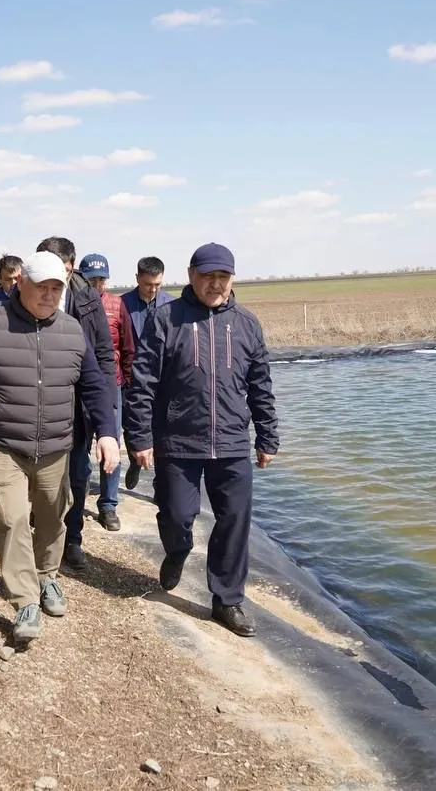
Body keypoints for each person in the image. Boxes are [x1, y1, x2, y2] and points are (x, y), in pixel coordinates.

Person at [0, 251, 120, 647]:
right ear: (21, 284)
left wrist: (107, 432)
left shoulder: (72, 331)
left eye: (57, 288)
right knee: (10, 516)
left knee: (54, 517)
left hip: (55, 445)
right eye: (42, 287)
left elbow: (93, 386)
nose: (50, 295)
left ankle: (47, 575)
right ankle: (24, 601)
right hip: (2, 442)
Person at [123, 243, 278, 638]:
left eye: (222, 277)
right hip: (178, 440)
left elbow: (260, 385)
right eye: (207, 276)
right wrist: (139, 436)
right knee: (175, 515)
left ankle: (227, 599)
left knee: (235, 520)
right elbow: (142, 383)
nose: (215, 284)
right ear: (191, 275)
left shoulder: (246, 324)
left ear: (231, 280)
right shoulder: (166, 319)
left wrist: (267, 436)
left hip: (230, 442)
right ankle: (178, 550)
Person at [34, 237, 115, 570]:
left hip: (78, 408)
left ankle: (73, 539)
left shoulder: (86, 299)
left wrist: (104, 412)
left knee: (78, 475)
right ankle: (41, 535)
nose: (56, 279)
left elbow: (104, 355)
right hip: (38, 406)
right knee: (40, 478)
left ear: (71, 268)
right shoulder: (27, 295)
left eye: (64, 271)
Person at [73, 253, 135, 532]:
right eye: (92, 279)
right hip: (79, 388)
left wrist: (128, 383)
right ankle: (77, 495)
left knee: (111, 444)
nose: (97, 285)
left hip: (112, 386)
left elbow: (127, 348)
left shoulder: (116, 304)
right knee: (79, 446)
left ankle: (109, 505)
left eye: (101, 279)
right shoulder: (72, 303)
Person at [120, 256, 175, 490]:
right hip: (130, 378)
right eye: (147, 284)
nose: (152, 289)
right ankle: (134, 457)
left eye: (157, 285)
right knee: (130, 424)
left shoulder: (172, 306)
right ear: (137, 279)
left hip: (161, 379)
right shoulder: (122, 304)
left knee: (161, 429)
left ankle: (159, 483)